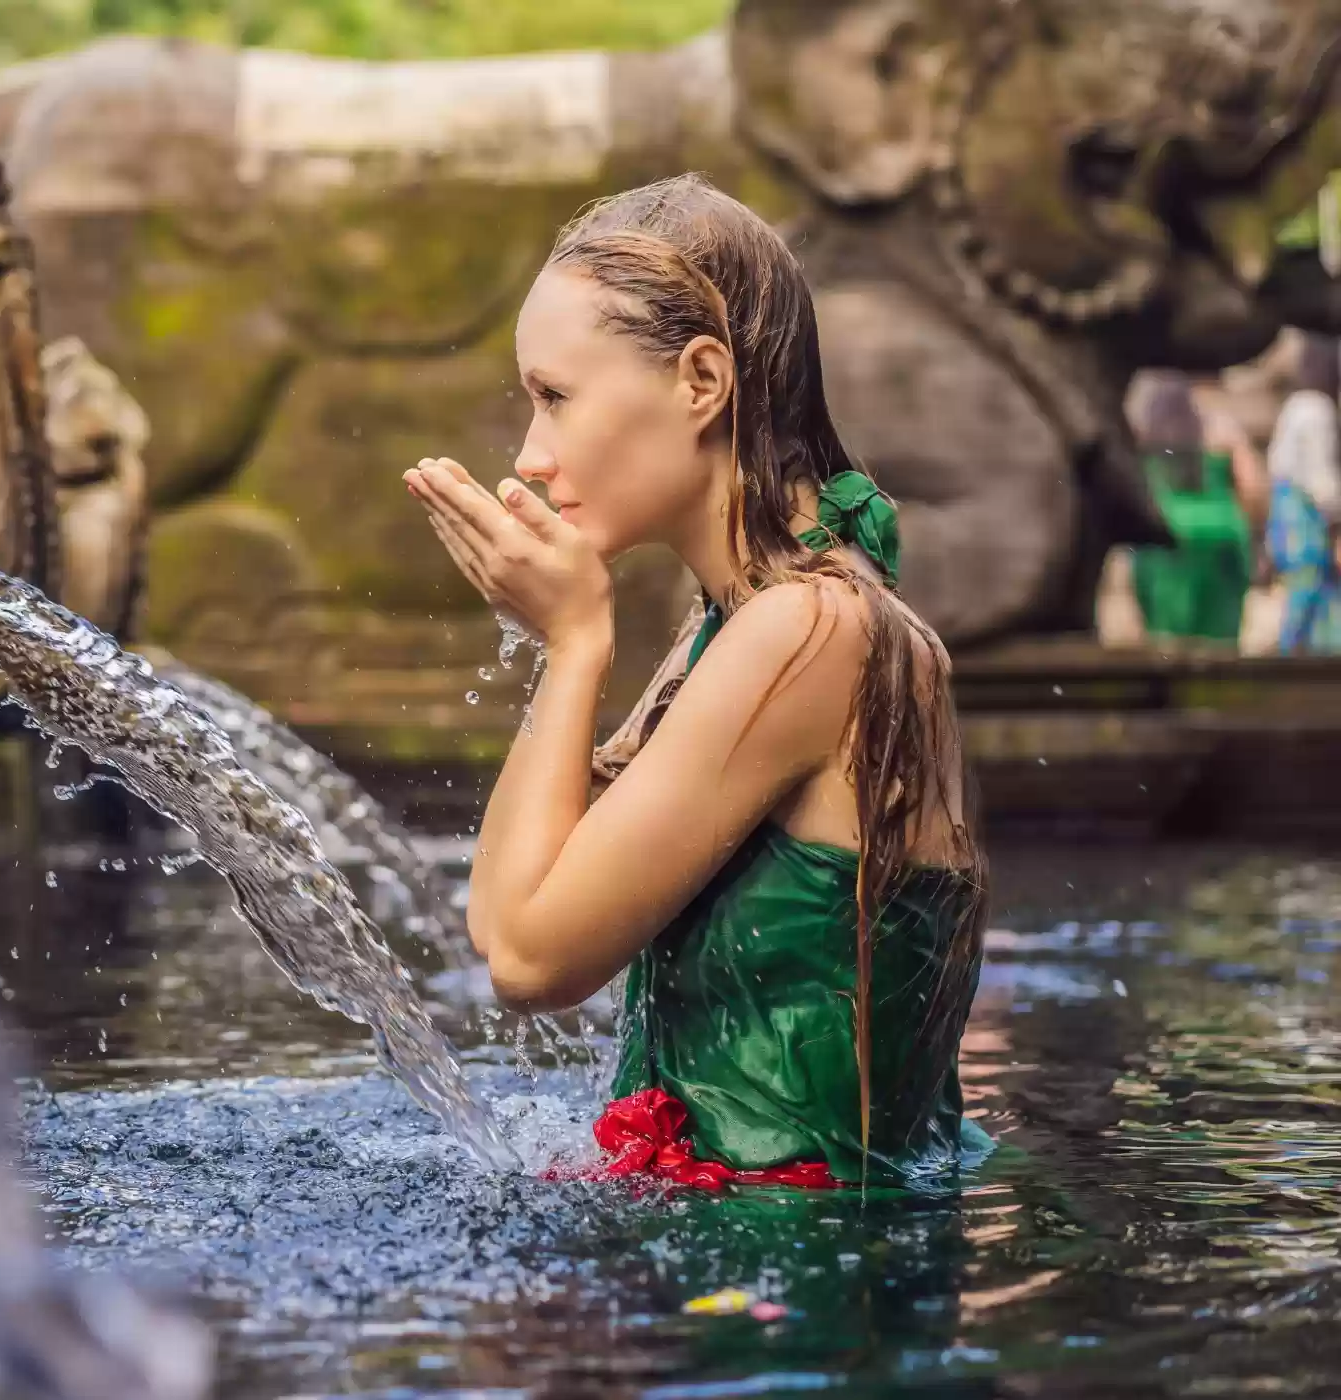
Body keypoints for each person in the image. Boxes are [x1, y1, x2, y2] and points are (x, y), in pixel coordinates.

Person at [403, 174, 986, 1191]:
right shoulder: (740, 624)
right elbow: (502, 923)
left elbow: (535, 967)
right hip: (751, 1266)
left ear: (703, 381)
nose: (532, 455)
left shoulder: (808, 632)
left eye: (556, 397)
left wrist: (578, 641)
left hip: (793, 1287)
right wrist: (567, 645)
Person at [1125, 373, 1254, 645]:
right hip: (1223, 533)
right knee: (1220, 642)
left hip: (1164, 533)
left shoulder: (1140, 438)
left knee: (1166, 638)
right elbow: (1253, 488)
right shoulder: (1221, 431)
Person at [1265, 332, 1341, 654]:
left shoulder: (1294, 406)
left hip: (1286, 512)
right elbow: (1320, 479)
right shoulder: (1316, 409)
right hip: (1304, 517)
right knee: (1308, 593)